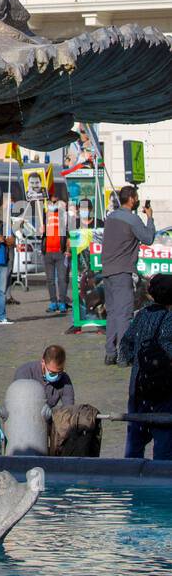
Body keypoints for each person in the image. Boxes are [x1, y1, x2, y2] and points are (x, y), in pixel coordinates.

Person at [100, 184, 155, 365]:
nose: (138, 201)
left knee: (113, 313)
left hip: (107, 270)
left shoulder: (111, 217)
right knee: (124, 314)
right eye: (136, 198)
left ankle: (110, 353)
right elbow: (148, 238)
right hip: (122, 271)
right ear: (131, 199)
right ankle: (124, 355)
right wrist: (149, 218)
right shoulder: (132, 219)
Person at [119, 273, 172, 461]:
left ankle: (131, 480)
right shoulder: (169, 319)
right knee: (164, 442)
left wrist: (140, 362)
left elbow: (124, 348)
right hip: (165, 390)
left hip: (138, 386)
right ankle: (161, 484)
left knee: (135, 441)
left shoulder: (142, 314)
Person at [14, 344, 75, 410]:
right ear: (43, 362)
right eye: (52, 373)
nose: (57, 375)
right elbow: (19, 405)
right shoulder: (24, 373)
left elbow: (69, 409)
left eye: (60, 372)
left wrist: (52, 413)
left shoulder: (65, 380)